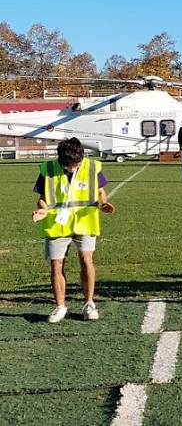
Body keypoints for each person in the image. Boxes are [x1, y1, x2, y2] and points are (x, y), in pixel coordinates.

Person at [30, 137, 115, 323]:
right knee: (56, 265)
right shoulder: (48, 169)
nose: (72, 168)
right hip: (56, 224)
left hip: (85, 222)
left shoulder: (92, 167)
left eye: (76, 164)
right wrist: (43, 210)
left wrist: (104, 204)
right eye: (68, 165)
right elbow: (42, 198)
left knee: (86, 260)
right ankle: (60, 307)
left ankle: (89, 304)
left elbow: (100, 191)